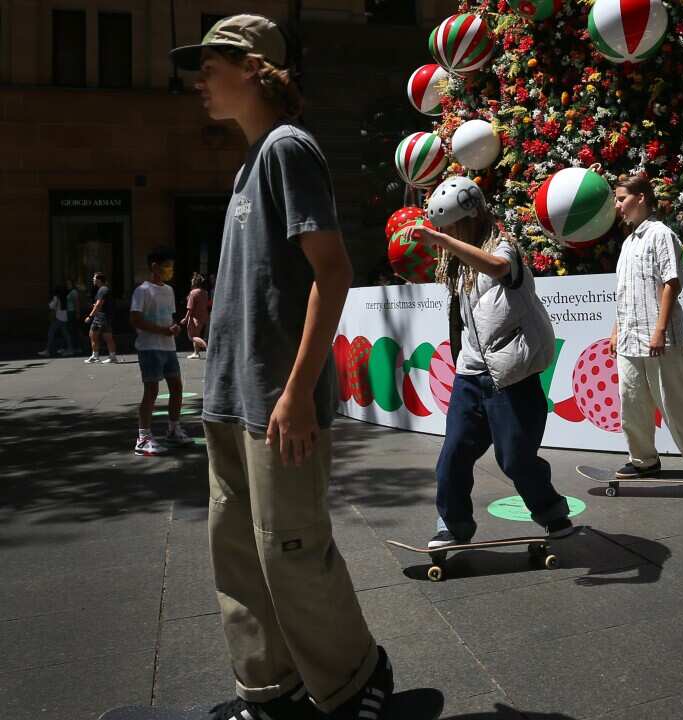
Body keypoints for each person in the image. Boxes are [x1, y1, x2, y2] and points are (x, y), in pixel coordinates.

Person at [170, 14, 391, 720]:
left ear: (256, 68)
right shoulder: (250, 161)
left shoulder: (289, 150)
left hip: (276, 403)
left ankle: (359, 677)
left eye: (210, 65)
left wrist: (298, 392)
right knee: (237, 557)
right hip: (232, 401)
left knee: (292, 553)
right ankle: (270, 690)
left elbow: (333, 273)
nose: (199, 80)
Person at [413, 176, 574, 550]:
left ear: (468, 221)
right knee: (452, 455)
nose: (447, 235)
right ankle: (452, 526)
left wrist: (441, 241)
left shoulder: (505, 249)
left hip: (511, 377)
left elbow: (497, 268)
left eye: (451, 227)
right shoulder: (457, 265)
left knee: (516, 459)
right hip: (471, 375)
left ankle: (552, 513)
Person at [610, 174, 683, 482]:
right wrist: (617, 328)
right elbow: (626, 291)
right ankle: (643, 459)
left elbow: (671, 282)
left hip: (659, 336)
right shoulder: (628, 242)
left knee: (674, 398)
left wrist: (659, 330)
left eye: (622, 198)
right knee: (631, 400)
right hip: (630, 336)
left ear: (641, 197)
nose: (618, 205)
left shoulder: (661, 234)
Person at [130, 247, 192, 456]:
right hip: (149, 348)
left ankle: (173, 429)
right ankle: (143, 437)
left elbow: (168, 317)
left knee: (176, 387)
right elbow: (136, 319)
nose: (170, 270)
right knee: (152, 391)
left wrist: (174, 328)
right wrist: (163, 330)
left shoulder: (169, 290)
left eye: (171, 267)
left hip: (168, 347)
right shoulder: (142, 290)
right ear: (154, 266)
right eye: (167, 266)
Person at [84, 272, 119, 364]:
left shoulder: (102, 290)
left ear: (99, 280)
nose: (93, 280)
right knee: (108, 337)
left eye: (94, 278)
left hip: (100, 317)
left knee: (92, 335)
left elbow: (99, 304)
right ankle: (112, 356)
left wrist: (90, 316)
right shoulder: (105, 289)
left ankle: (95, 356)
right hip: (106, 317)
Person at [182, 271, 212, 358]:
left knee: (192, 336)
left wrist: (185, 318)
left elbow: (190, 308)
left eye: (192, 280)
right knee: (197, 334)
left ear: (194, 282)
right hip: (203, 317)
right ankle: (196, 353)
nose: (191, 281)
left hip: (194, 317)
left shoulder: (193, 292)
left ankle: (207, 347)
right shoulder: (205, 292)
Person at [38, 285, 73, 357]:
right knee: (66, 334)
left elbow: (51, 306)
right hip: (64, 317)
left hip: (58, 317)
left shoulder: (56, 297)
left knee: (51, 333)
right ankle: (70, 349)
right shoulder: (64, 297)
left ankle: (47, 351)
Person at [65, 280, 83, 354]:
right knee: (72, 330)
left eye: (69, 284)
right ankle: (75, 347)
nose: (67, 285)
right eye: (67, 284)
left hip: (72, 312)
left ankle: (78, 347)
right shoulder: (70, 292)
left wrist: (77, 313)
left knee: (74, 330)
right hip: (69, 312)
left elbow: (77, 303)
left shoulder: (74, 292)